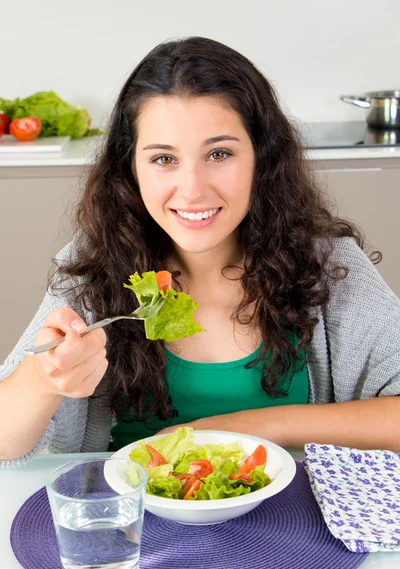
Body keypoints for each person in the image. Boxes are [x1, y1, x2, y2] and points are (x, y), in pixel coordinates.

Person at [1, 37, 399, 467]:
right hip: (137, 525)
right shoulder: (94, 266)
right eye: (163, 159)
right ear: (131, 167)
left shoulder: (326, 265)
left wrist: (246, 427)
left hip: (290, 523)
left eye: (219, 153)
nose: (192, 190)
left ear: (261, 159)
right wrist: (45, 379)